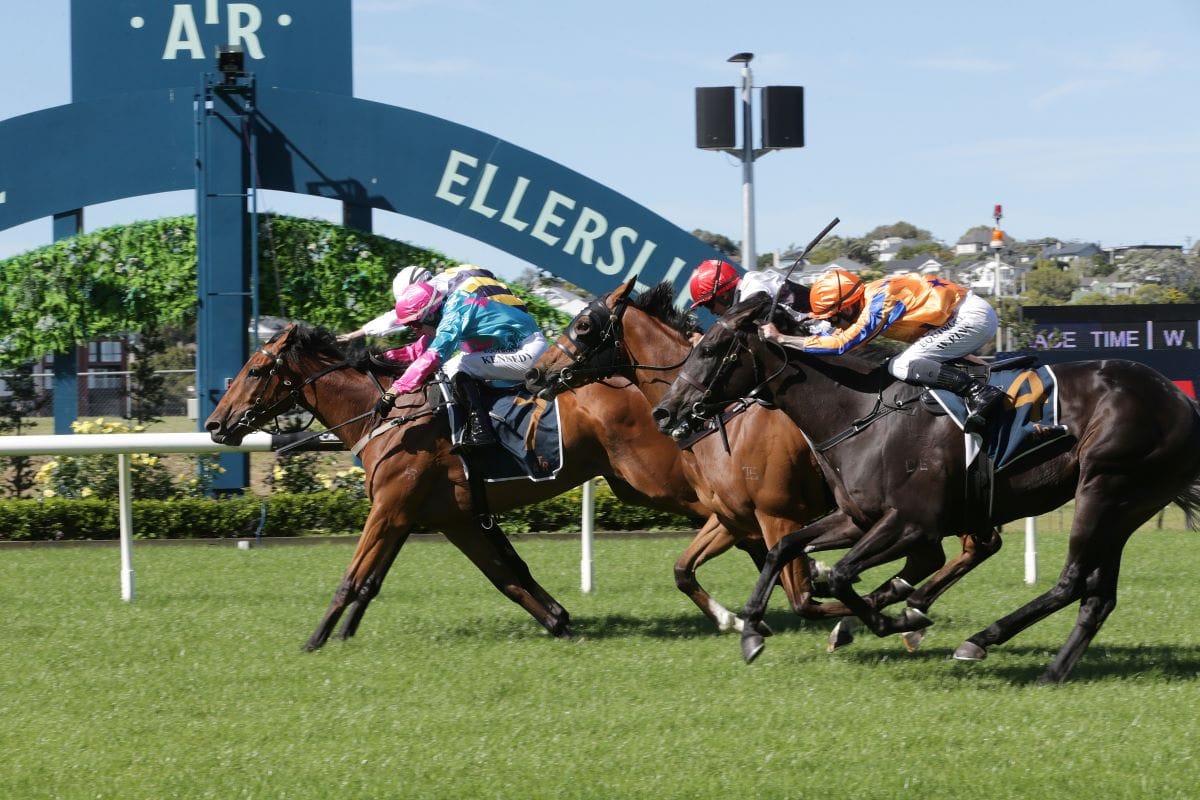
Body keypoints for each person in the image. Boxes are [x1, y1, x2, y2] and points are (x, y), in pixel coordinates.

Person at [760, 268, 1004, 433]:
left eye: (832, 318)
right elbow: (835, 336)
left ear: (846, 309)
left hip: (970, 318)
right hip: (959, 318)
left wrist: (782, 339)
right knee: (915, 358)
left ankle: (978, 392)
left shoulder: (879, 303)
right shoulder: (869, 297)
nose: (833, 325)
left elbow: (842, 344)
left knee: (901, 364)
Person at [374, 276, 548, 450]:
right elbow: (417, 350)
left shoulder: (454, 313)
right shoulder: (446, 313)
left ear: (430, 314)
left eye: (415, 325)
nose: (416, 331)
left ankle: (481, 430)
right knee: (459, 363)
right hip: (513, 349)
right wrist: (379, 357)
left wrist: (394, 391)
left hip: (529, 351)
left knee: (455, 365)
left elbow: (433, 357)